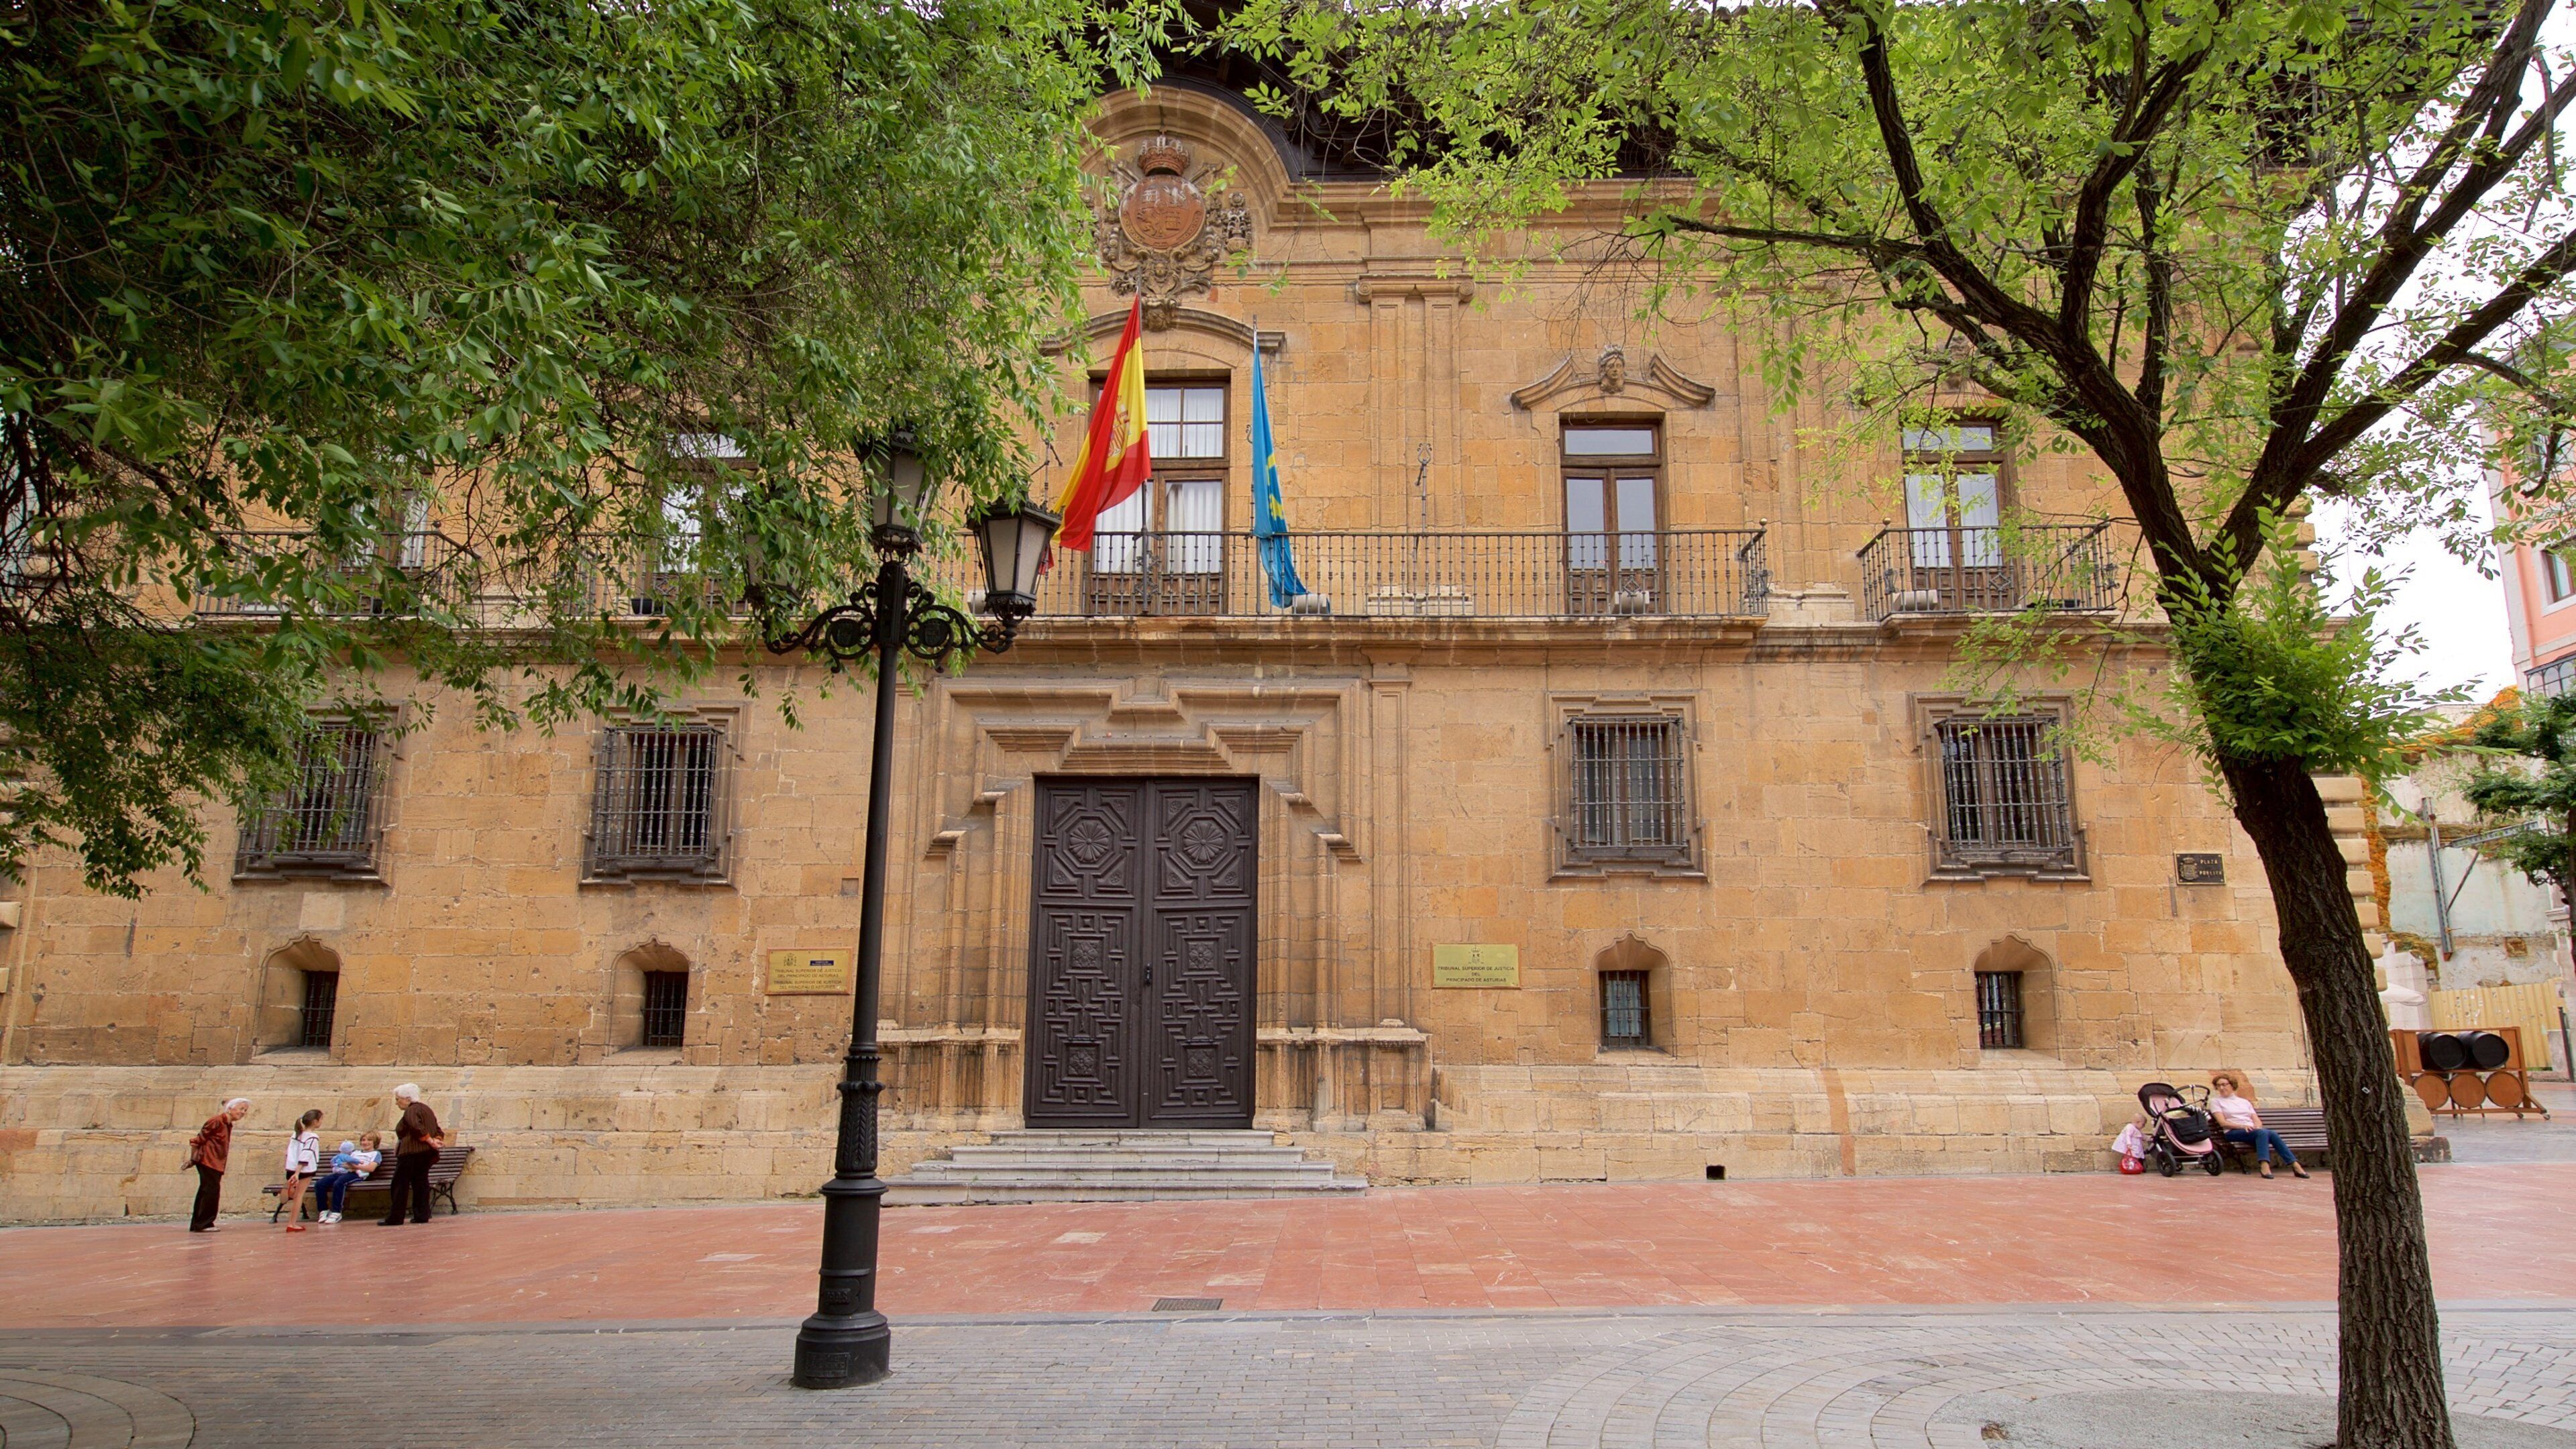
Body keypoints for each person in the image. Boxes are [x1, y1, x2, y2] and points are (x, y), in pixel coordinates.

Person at [2210, 1073, 2309, 1180]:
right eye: (2218, 1086)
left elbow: (2256, 1119)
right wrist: (2242, 1126)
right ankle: (2265, 1165)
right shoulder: (2216, 1102)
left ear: (2232, 1085)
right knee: (2264, 1133)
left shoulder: (2244, 1102)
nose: (2221, 1088)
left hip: (2252, 1132)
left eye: (2224, 1084)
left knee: (2271, 1133)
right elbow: (2223, 1123)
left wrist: (2257, 1126)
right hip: (2233, 1132)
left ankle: (2294, 1165)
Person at [381, 1084, 444, 1226]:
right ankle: (421, 1215)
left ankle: (396, 1217)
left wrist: (429, 1140)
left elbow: (416, 1127)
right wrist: (436, 1140)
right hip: (425, 1153)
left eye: (398, 1099)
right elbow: (437, 1129)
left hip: (411, 1152)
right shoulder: (427, 1109)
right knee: (420, 1182)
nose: (397, 1103)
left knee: (400, 1184)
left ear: (408, 1099)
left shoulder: (411, 1110)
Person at [185, 1097, 250, 1232]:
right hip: (208, 1161)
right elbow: (198, 1140)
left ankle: (199, 1223)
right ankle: (204, 1223)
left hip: (216, 1162)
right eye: (241, 1109)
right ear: (230, 1108)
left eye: (245, 1110)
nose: (243, 1112)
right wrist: (193, 1159)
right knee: (210, 1192)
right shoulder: (217, 1121)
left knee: (207, 1191)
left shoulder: (227, 1124)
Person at [312, 1134, 383, 1224]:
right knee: (320, 1184)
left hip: (357, 1174)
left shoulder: (376, 1154)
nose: (365, 1142)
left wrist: (354, 1166)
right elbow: (345, 1161)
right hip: (344, 1172)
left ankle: (336, 1212)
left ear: (375, 1142)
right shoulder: (355, 1152)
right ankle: (324, 1210)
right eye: (363, 1140)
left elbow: (371, 1168)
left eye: (369, 1140)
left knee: (339, 1183)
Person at [278, 1109, 323, 1232]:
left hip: (291, 1167)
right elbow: (306, 1154)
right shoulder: (313, 1137)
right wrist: (298, 1173)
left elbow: (289, 1152)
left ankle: (290, 1189)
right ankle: (292, 1223)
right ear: (315, 1122)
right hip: (304, 1170)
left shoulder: (296, 1134)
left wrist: (291, 1169)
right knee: (299, 1196)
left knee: (296, 1194)